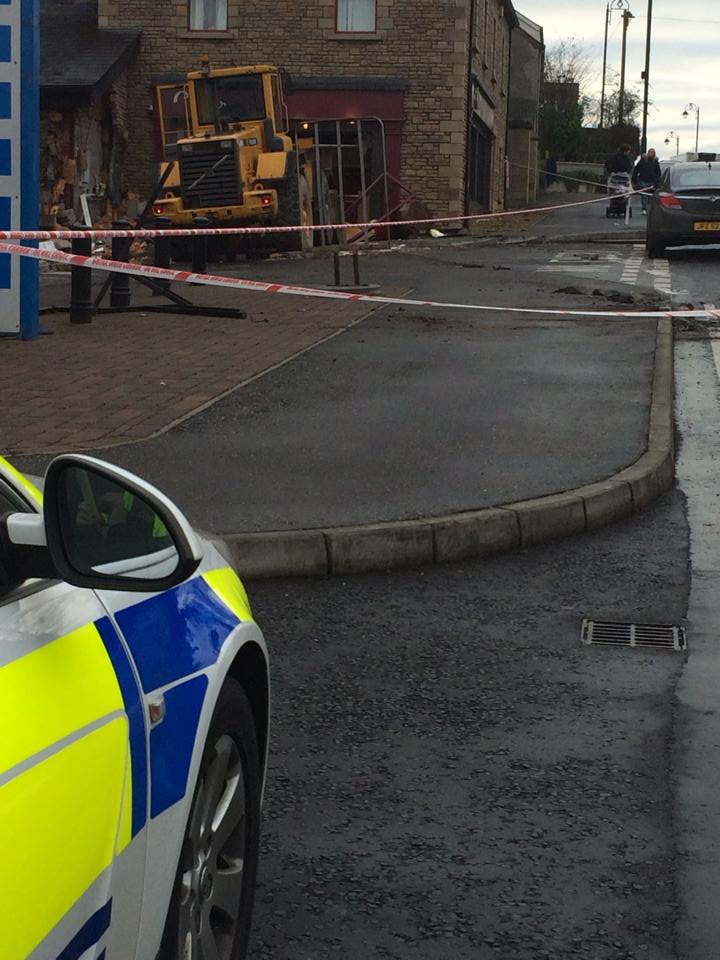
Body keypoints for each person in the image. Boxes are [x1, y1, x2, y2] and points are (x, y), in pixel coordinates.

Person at [632, 147, 662, 214]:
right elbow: (636, 169)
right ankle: (644, 208)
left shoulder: (655, 162)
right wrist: (635, 179)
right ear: (648, 153)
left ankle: (649, 208)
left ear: (654, 154)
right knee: (644, 195)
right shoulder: (643, 161)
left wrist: (657, 181)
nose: (651, 153)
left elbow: (658, 173)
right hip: (643, 180)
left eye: (652, 152)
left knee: (650, 196)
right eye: (650, 152)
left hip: (652, 181)